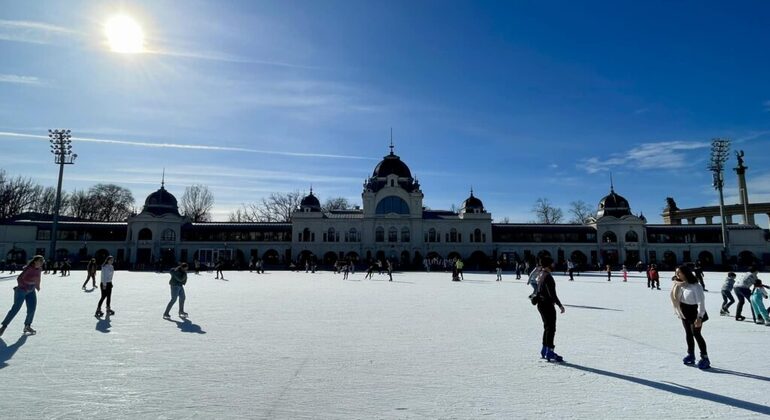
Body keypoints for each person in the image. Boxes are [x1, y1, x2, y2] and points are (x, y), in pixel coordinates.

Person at [670, 264, 710, 369]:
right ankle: (691, 354)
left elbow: (701, 303)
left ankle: (705, 358)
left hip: (695, 313)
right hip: (684, 313)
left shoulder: (695, 286)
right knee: (688, 334)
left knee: (696, 334)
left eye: (679, 272)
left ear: (685, 273)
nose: (677, 274)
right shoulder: (679, 285)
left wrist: (699, 317)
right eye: (676, 272)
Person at [0, 255, 44, 336]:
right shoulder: (29, 268)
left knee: (32, 308)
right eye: (40, 261)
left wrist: (37, 285)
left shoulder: (39, 269)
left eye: (42, 261)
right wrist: (25, 287)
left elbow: (38, 278)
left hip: (31, 291)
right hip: (21, 290)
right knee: (15, 308)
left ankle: (27, 326)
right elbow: (19, 279)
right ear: (35, 261)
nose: (41, 263)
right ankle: (3, 326)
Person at [534, 256, 565, 362]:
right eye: (552, 263)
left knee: (547, 327)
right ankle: (550, 352)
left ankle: (544, 350)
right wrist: (560, 305)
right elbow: (552, 294)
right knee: (551, 328)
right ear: (548, 265)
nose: (554, 265)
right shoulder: (548, 277)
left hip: (541, 305)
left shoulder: (541, 275)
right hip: (547, 305)